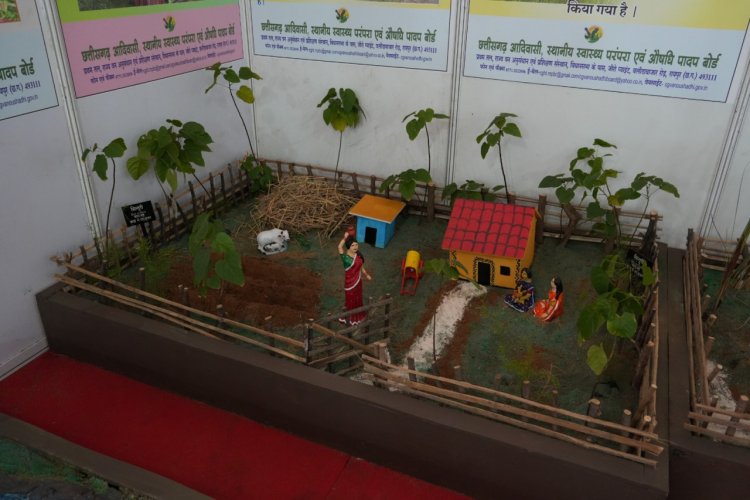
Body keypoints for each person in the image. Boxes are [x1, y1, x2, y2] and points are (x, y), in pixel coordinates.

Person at [337, 232, 372, 325]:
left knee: (358, 298)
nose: (355, 247)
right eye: (353, 245)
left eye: (356, 245)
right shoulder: (346, 259)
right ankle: (350, 317)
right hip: (350, 284)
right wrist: (344, 238)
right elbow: (339, 247)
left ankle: (358, 314)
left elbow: (361, 266)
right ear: (348, 246)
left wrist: (366, 274)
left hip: (358, 282)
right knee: (350, 300)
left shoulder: (358, 255)